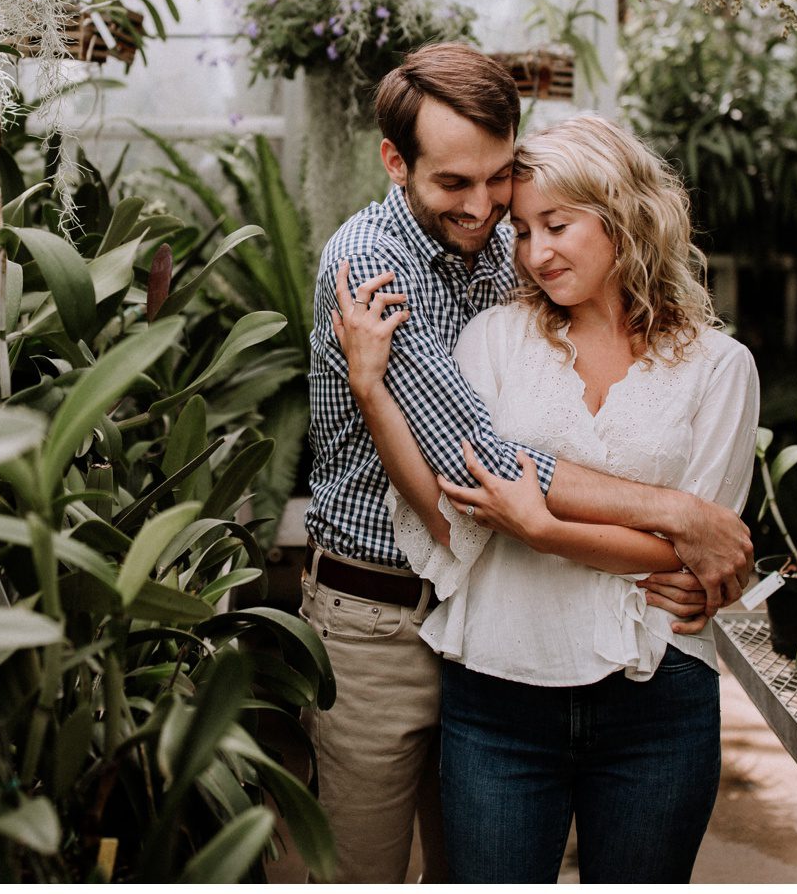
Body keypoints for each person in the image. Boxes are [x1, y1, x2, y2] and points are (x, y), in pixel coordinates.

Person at [300, 45, 753, 883]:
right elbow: (480, 462)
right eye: (454, 184)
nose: (485, 210)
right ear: (396, 164)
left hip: (484, 622)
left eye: (498, 181)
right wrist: (681, 518)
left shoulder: (505, 267)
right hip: (379, 619)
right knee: (358, 872)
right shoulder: (373, 265)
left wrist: (629, 542)